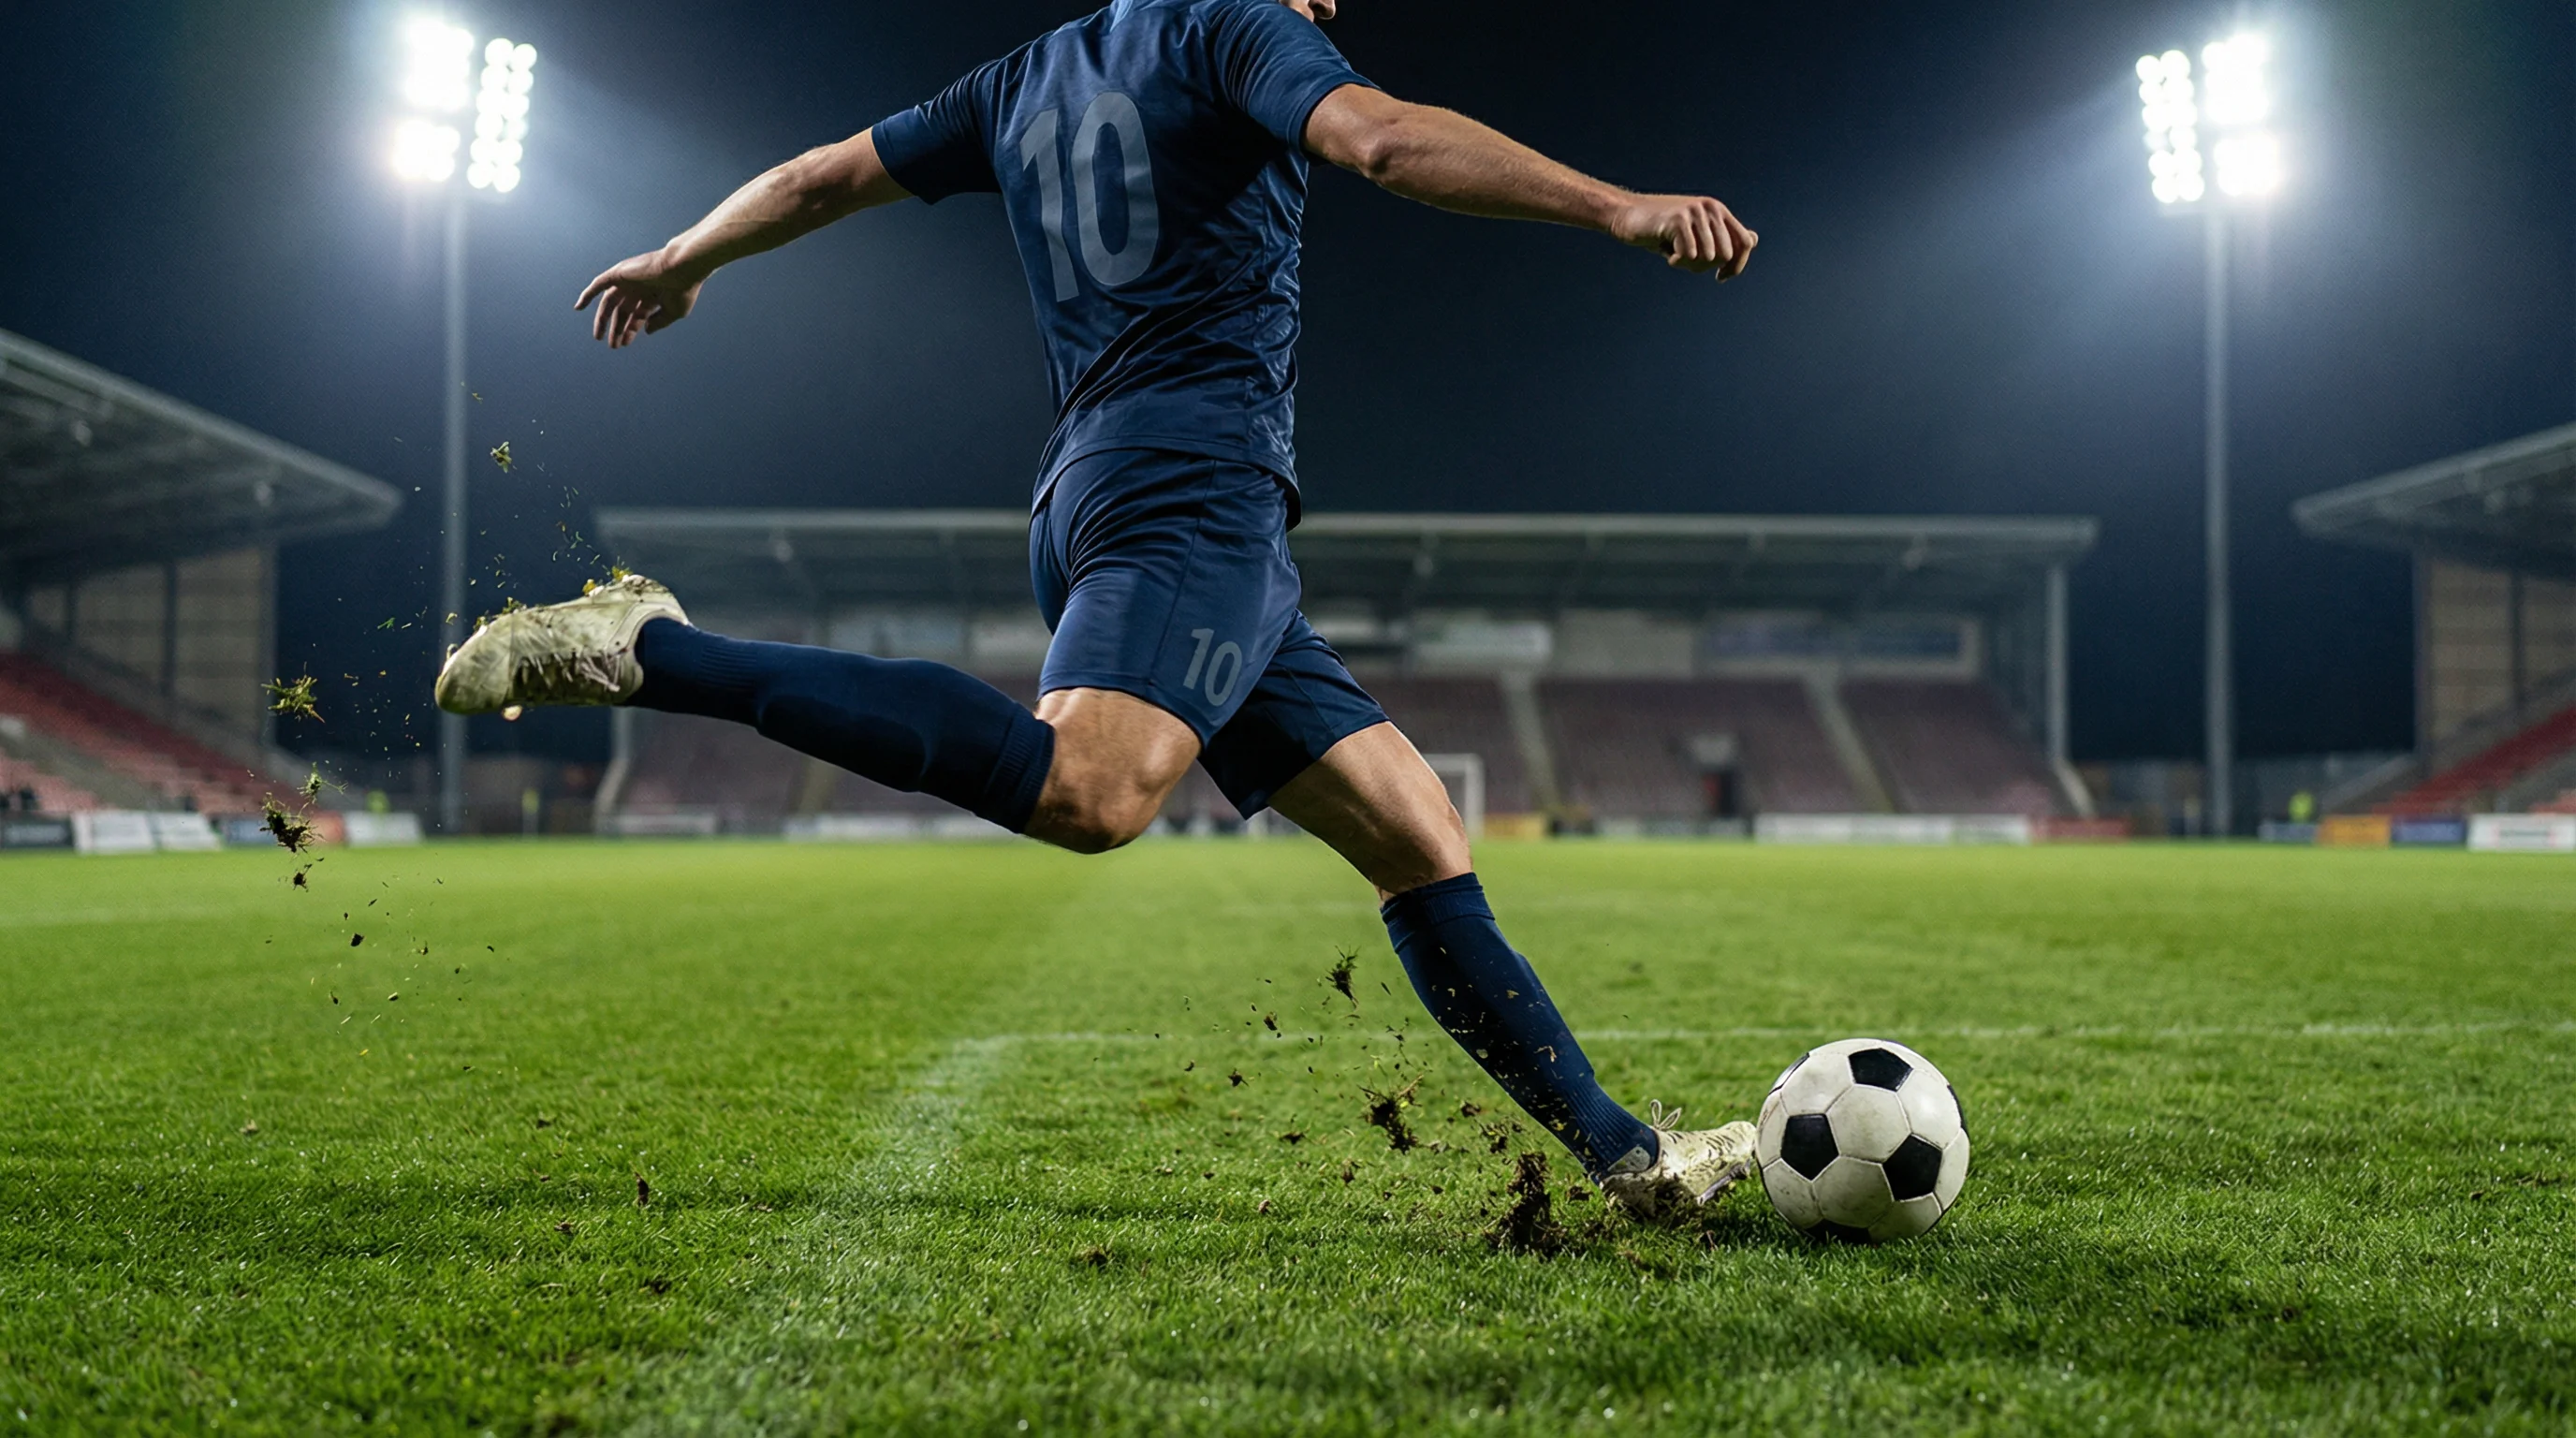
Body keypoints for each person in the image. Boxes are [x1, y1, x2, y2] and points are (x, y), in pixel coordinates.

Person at [437, 0, 1760, 1219]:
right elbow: (1389, 143)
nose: (1329, 5)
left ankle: (1629, 1159)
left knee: (1417, 832)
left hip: (1107, 489)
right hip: (1192, 488)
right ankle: (654, 652)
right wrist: (1618, 208)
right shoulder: (1234, 31)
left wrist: (683, 257)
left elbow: (820, 178)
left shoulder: (1022, 79)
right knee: (1092, 792)